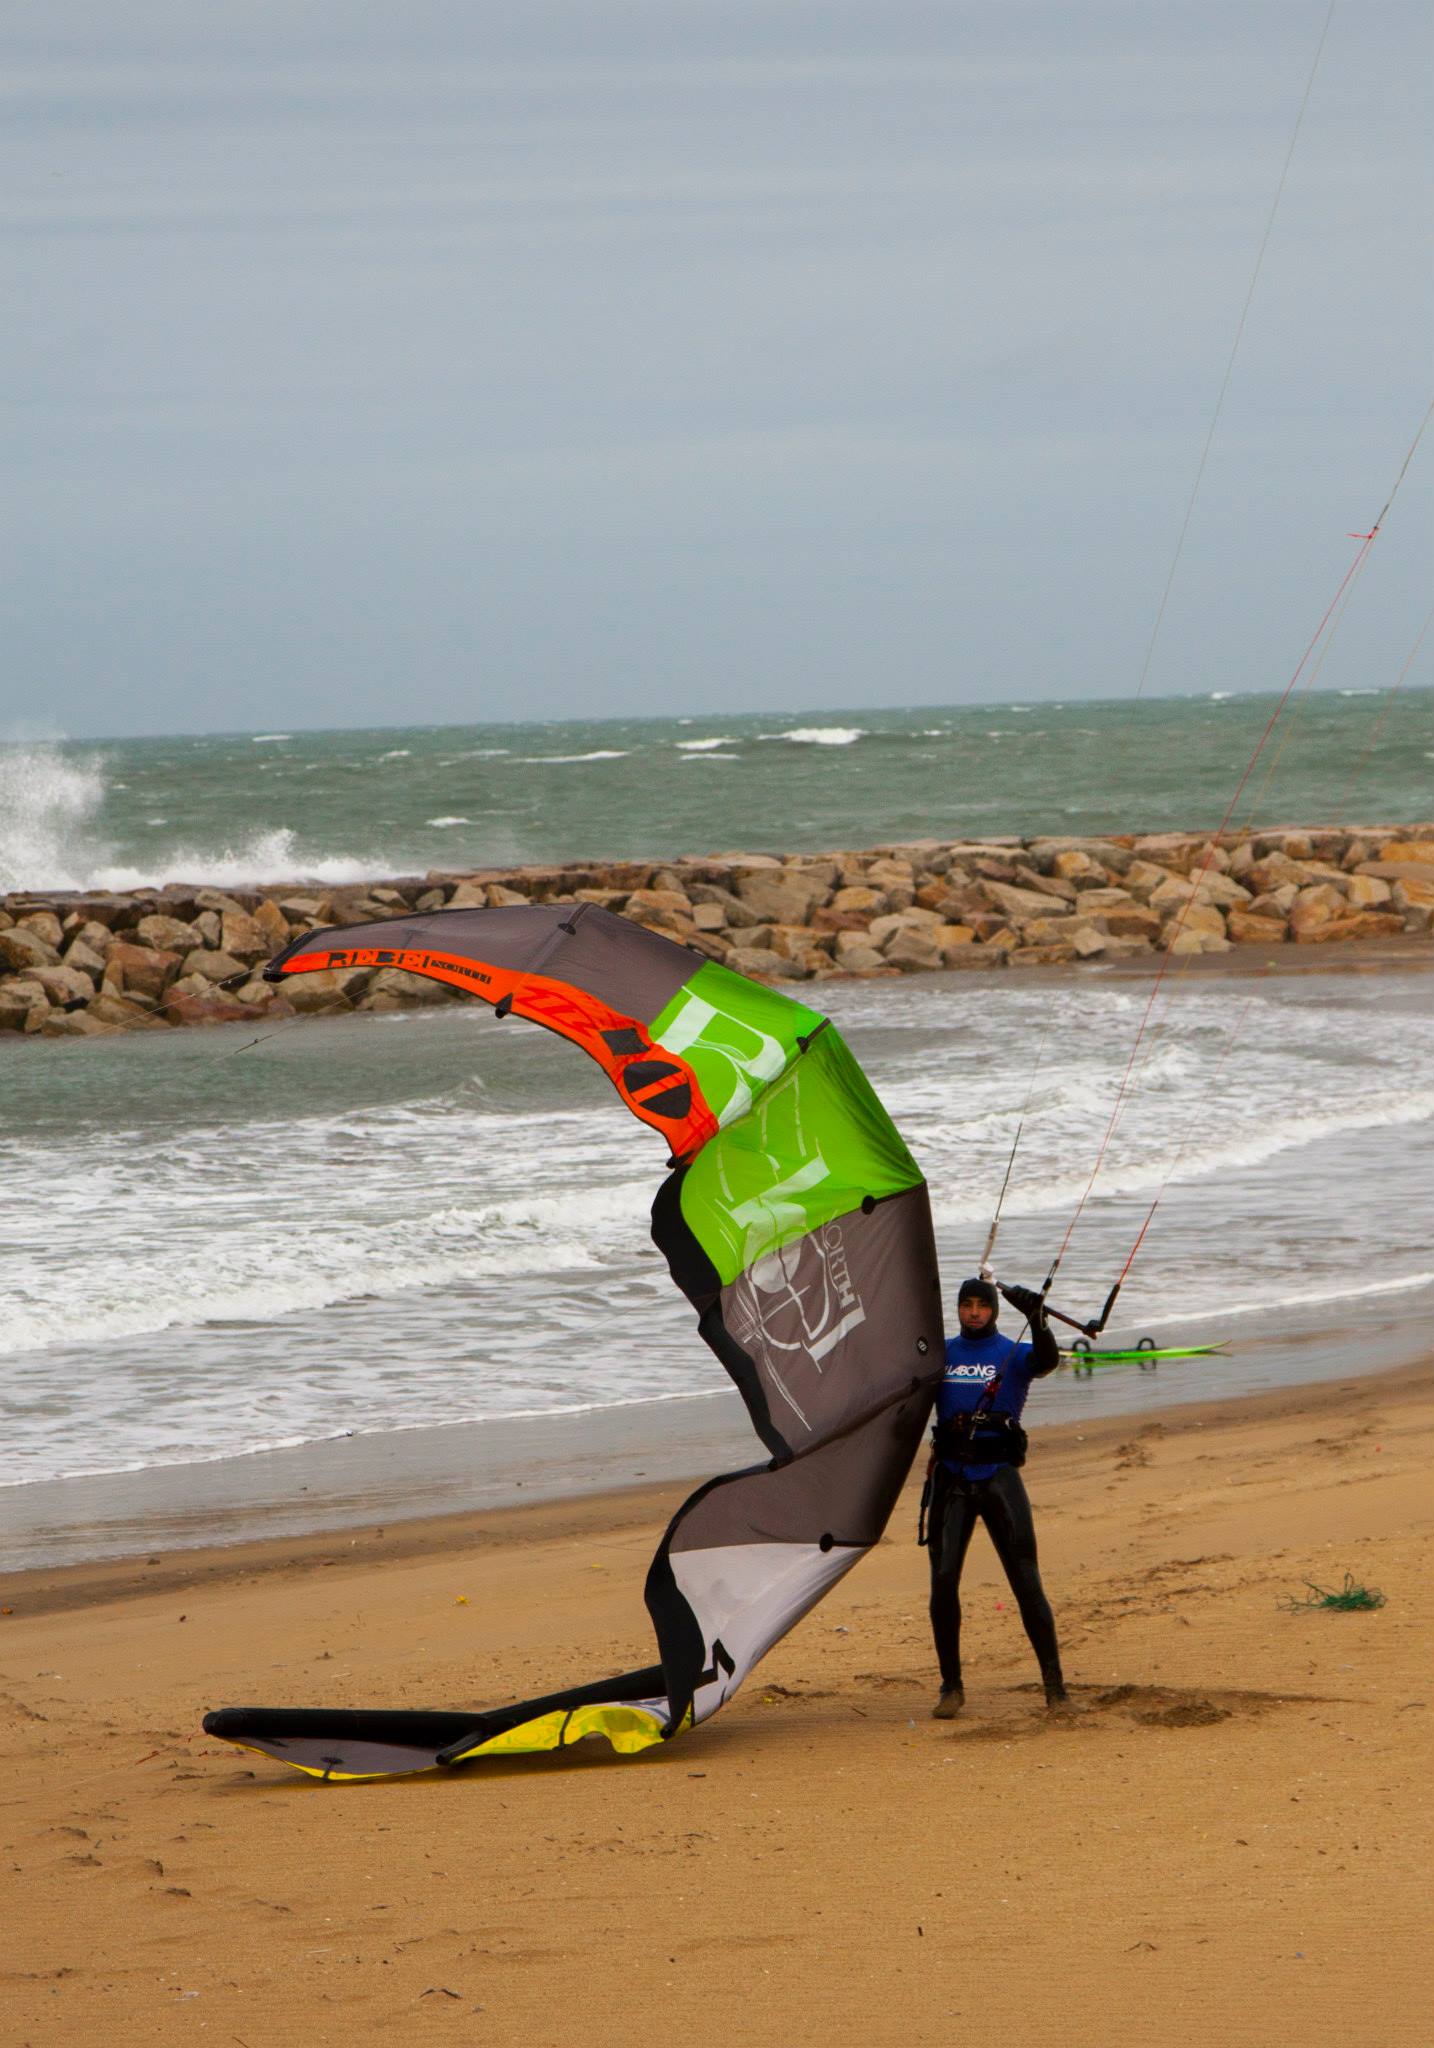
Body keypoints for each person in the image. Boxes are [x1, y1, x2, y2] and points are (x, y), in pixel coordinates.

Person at [924, 1275, 1067, 1716]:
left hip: (999, 1478)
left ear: (994, 1310)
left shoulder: (1015, 1353)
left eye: (981, 1306)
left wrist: (1038, 1318)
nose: (973, 1313)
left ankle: (1056, 1690)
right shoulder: (941, 1355)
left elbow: (1047, 1361)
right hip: (951, 1478)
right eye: (966, 1305)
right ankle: (952, 1687)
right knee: (944, 1583)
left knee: (1026, 1582)